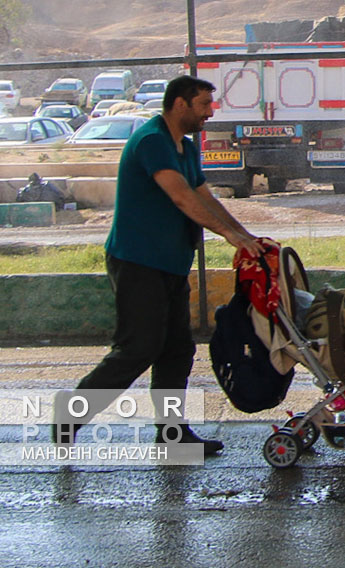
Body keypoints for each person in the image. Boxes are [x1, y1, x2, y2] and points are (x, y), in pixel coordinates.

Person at [54, 75, 265, 454]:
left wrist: (246, 237)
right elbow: (182, 197)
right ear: (180, 104)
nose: (210, 113)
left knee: (177, 350)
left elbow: (204, 196)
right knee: (138, 348)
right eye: (204, 105)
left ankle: (172, 435)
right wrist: (230, 237)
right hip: (138, 262)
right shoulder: (152, 140)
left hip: (170, 263)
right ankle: (70, 415)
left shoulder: (185, 147)